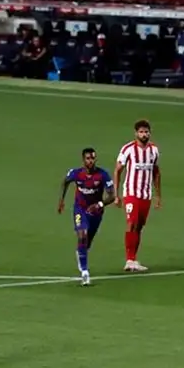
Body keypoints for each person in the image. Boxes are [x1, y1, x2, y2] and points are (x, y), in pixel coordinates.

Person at [58, 148, 115, 285]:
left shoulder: (102, 175)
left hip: (96, 212)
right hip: (80, 209)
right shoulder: (76, 173)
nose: (91, 161)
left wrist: (100, 204)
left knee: (87, 242)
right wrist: (61, 200)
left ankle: (81, 252)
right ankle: (84, 271)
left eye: (93, 158)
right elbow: (65, 182)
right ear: (83, 160)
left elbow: (112, 196)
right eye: (88, 158)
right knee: (82, 235)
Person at [114, 120, 162, 272]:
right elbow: (117, 171)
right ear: (136, 133)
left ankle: (133, 259)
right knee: (132, 223)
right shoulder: (128, 149)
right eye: (141, 132)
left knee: (139, 226)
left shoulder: (154, 150)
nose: (144, 134)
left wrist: (158, 195)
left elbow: (156, 172)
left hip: (146, 194)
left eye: (146, 132)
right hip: (131, 193)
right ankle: (129, 259)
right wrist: (116, 195)